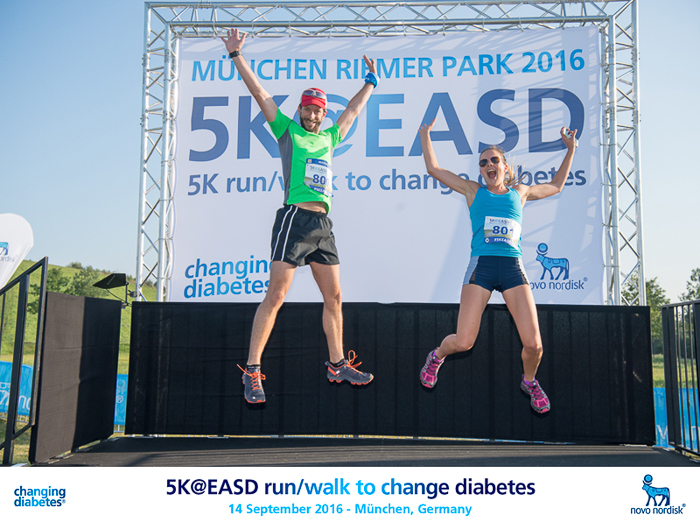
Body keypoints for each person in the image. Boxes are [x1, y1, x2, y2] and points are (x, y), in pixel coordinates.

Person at [221, 29, 377, 403]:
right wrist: (237, 56)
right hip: (294, 219)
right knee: (276, 294)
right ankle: (252, 370)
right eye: (307, 108)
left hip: (322, 225)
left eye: (317, 110)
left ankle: (337, 364)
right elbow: (261, 95)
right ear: (300, 111)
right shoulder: (287, 131)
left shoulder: (330, 138)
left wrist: (370, 82)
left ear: (323, 114)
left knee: (335, 297)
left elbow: (352, 112)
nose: (311, 114)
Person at [417, 118, 577, 413]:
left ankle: (529, 381)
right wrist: (425, 134)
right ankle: (437, 356)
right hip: (482, 267)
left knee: (535, 346)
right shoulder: (473, 191)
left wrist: (571, 149)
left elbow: (556, 186)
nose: (488, 165)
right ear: (481, 171)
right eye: (483, 163)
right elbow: (434, 169)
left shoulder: (521, 192)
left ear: (505, 167)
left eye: (494, 160)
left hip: (513, 268)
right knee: (463, 343)